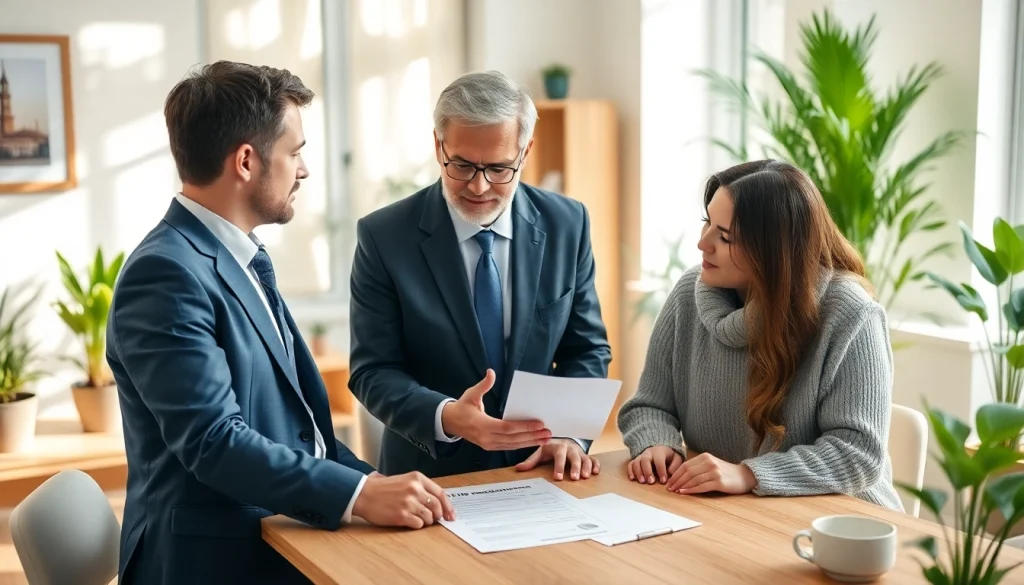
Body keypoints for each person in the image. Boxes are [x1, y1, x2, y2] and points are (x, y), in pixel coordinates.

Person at [106, 61, 454, 585]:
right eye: (295, 152)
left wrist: (379, 485)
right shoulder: (166, 274)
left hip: (279, 532)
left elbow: (302, 431)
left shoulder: (239, 259)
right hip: (212, 562)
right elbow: (214, 441)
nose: (305, 169)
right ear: (246, 161)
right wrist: (361, 496)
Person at [349, 70, 611, 480]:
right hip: (428, 480)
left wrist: (571, 435)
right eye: (463, 165)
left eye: (499, 168)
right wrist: (448, 416)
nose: (478, 186)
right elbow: (373, 370)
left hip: (540, 470)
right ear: (439, 146)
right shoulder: (383, 236)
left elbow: (587, 349)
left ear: (525, 152)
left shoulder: (567, 223)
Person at [617, 159, 903, 511]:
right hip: (730, 513)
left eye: (725, 236)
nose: (702, 243)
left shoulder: (852, 315)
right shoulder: (689, 294)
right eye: (707, 222)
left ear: (775, 254)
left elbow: (858, 454)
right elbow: (650, 404)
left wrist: (748, 475)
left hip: (841, 521)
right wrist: (655, 444)